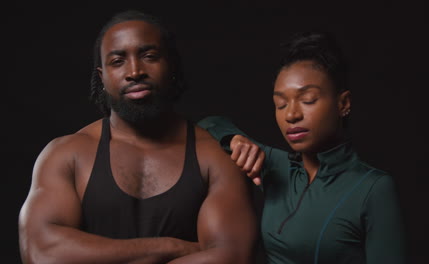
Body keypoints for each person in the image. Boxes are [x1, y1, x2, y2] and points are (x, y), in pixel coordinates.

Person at [18, 10, 258, 264]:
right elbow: (42, 254)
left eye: (149, 56)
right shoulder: (67, 155)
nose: (134, 71)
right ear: (102, 78)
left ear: (172, 65)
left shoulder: (213, 156)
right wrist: (171, 247)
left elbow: (233, 257)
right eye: (118, 61)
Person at [198, 31, 407, 263]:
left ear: (343, 104)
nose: (291, 114)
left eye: (308, 100)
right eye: (281, 103)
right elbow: (210, 124)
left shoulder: (373, 188)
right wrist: (236, 140)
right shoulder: (276, 166)